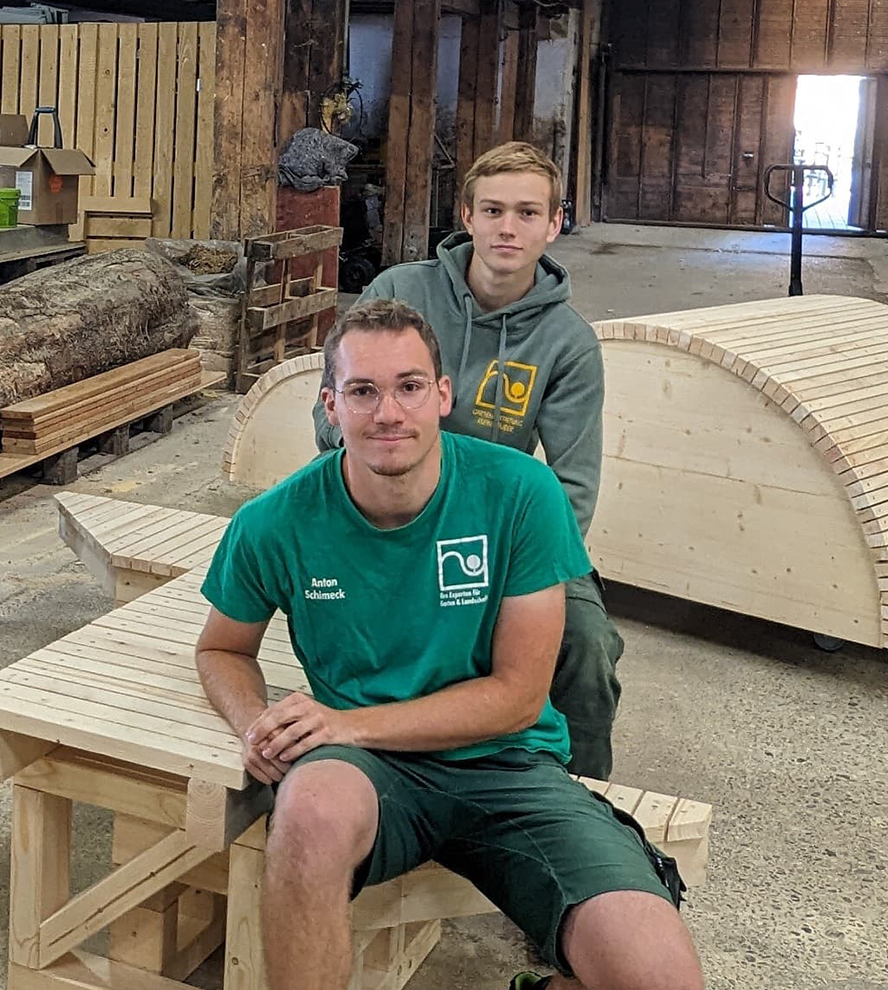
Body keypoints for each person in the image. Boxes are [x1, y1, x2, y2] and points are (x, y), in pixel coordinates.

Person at [200, 299, 701, 990]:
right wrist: (253, 721)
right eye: (362, 391)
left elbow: (518, 697)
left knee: (662, 978)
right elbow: (222, 649)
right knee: (307, 810)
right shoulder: (274, 522)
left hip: (510, 766)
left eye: (408, 386)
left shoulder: (520, 493)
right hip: (364, 767)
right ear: (329, 406)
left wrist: (345, 721)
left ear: (442, 395)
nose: (388, 413)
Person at [311, 141, 623, 780]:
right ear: (468, 215)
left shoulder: (568, 345)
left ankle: (580, 795)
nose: (508, 228)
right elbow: (333, 415)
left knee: (586, 644)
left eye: (528, 213)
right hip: (390, 512)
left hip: (500, 532)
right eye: (494, 210)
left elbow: (572, 491)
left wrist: (508, 573)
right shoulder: (400, 290)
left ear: (555, 223)